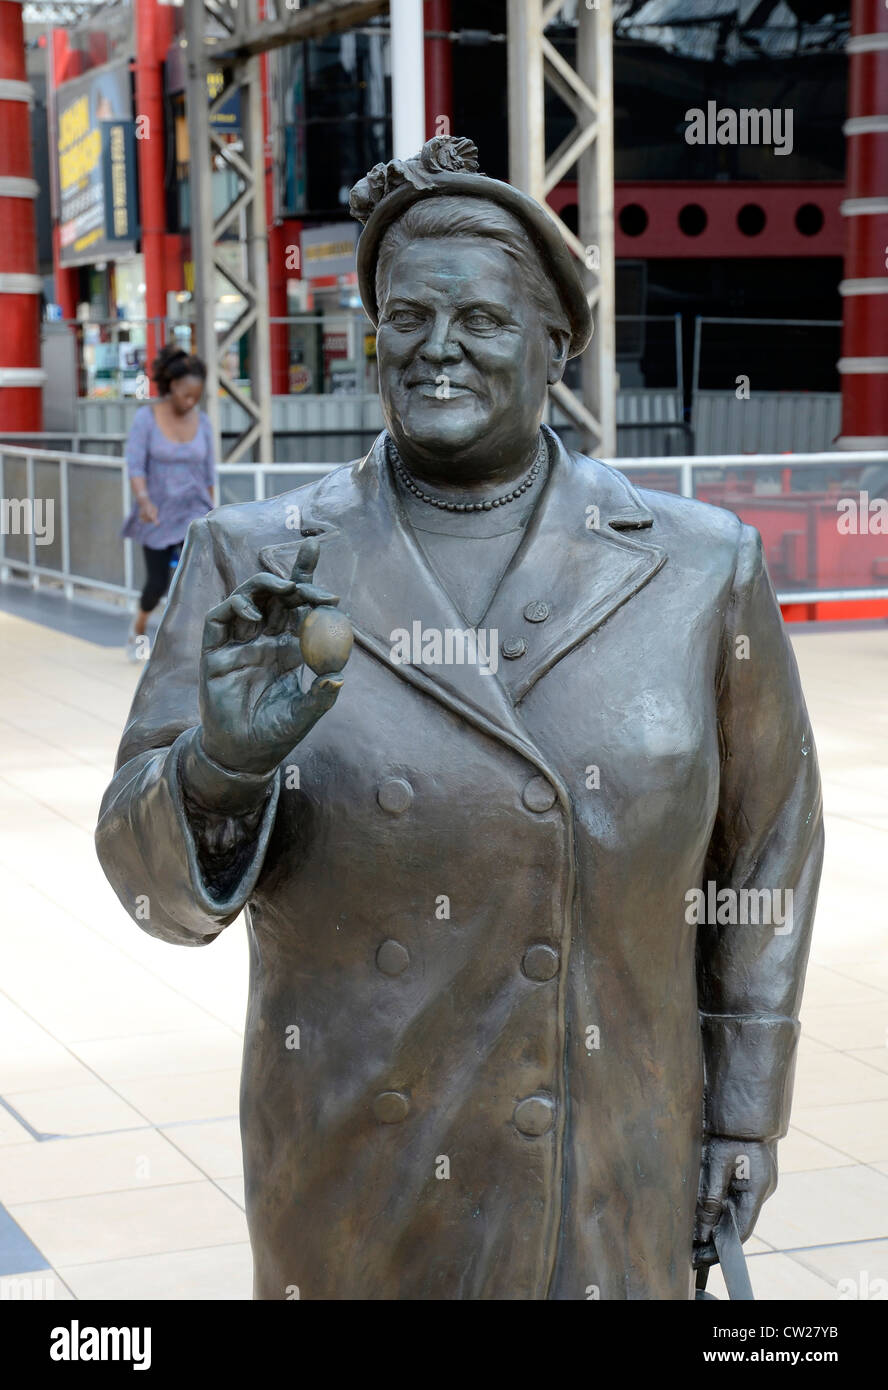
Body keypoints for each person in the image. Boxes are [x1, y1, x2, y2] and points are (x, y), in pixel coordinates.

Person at [96, 138, 823, 1300]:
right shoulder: (256, 559)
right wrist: (219, 771)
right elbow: (150, 891)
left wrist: (743, 1110)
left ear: (557, 344)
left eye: (481, 319)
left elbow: (769, 846)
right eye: (408, 317)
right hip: (360, 1180)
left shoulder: (701, 568)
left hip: (613, 1160)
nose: (437, 349)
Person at [121, 345, 216, 661]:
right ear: (172, 386)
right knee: (157, 583)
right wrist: (144, 500)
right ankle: (139, 625)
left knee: (199, 579)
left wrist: (213, 514)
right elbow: (135, 465)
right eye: (186, 395)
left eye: (197, 396)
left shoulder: (202, 422)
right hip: (158, 512)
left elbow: (208, 472)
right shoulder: (146, 419)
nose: (191, 402)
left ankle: (187, 643)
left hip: (194, 510)